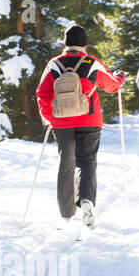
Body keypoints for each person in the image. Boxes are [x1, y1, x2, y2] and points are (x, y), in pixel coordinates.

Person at [35, 24, 125, 228]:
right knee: (87, 162)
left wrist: (49, 118)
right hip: (89, 120)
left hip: (61, 122)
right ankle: (86, 203)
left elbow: (42, 93)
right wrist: (120, 77)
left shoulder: (54, 64)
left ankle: (66, 213)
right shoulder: (91, 63)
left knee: (66, 163)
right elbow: (112, 85)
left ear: (66, 43)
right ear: (84, 44)